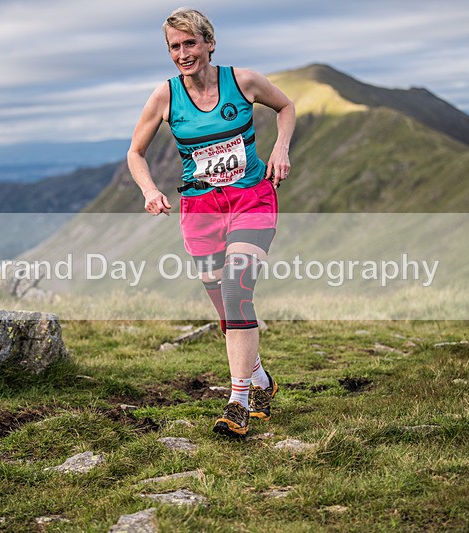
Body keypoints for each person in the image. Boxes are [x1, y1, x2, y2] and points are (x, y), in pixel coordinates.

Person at [127, 8, 295, 438]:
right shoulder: (165, 97)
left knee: (238, 288)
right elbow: (135, 153)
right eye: (174, 47)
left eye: (190, 44)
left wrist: (280, 150)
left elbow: (286, 106)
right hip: (200, 213)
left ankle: (239, 398)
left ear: (209, 43)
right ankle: (260, 380)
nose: (183, 54)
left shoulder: (243, 81)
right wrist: (149, 190)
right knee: (227, 309)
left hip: (251, 198)